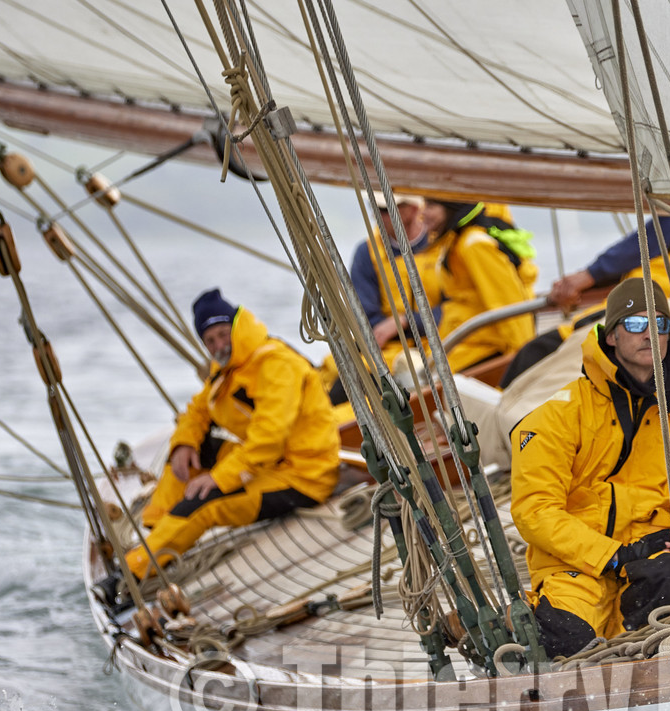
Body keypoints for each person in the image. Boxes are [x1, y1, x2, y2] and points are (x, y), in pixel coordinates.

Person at [510, 277, 670, 657]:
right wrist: (613, 554)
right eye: (636, 324)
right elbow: (535, 512)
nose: (650, 333)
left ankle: (650, 673)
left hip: (653, 556)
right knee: (564, 637)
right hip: (575, 567)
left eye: (660, 324)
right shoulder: (555, 418)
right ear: (611, 336)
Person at [124, 289, 341, 580]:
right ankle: (154, 528)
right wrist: (183, 444)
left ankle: (134, 571)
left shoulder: (276, 365)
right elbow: (198, 410)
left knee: (207, 503)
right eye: (210, 341)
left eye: (223, 334)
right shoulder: (229, 366)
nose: (219, 345)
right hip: (268, 466)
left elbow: (269, 439)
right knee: (194, 452)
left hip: (303, 476)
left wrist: (218, 478)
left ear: (237, 327)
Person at [424, 199, 539, 370]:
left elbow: (507, 303)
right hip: (465, 343)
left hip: (485, 348)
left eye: (431, 206)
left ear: (451, 208)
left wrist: (525, 359)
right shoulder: (456, 241)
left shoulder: (475, 245)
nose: (423, 213)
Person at [348, 192, 445, 365]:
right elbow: (366, 319)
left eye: (385, 209)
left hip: (443, 343)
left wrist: (405, 321)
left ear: (414, 209)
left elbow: (455, 308)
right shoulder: (366, 253)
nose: (376, 215)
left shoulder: (443, 245)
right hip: (389, 350)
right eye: (374, 208)